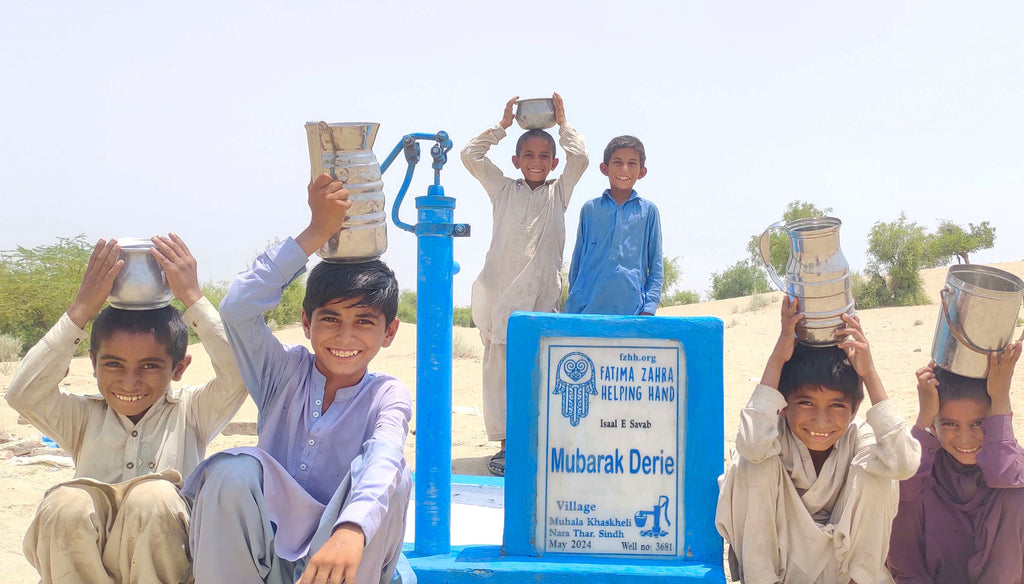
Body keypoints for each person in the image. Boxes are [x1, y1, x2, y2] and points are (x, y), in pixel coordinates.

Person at [183, 173, 412, 584]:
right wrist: (315, 233)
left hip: (347, 557)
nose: (345, 337)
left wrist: (351, 528)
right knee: (231, 470)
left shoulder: (385, 394)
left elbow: (384, 454)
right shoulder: (281, 372)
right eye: (330, 319)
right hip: (267, 558)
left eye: (363, 322)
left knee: (392, 480)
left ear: (389, 332)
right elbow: (237, 308)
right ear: (306, 323)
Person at [6, 234, 248, 584]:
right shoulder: (84, 418)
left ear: (179, 368)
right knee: (67, 504)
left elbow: (241, 375)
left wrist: (192, 299)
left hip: (168, 568)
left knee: (154, 496)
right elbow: (24, 393)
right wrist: (81, 309)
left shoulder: (191, 412)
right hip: (89, 566)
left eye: (149, 366)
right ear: (93, 363)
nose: (129, 382)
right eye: (114, 365)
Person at [715, 297, 920, 584]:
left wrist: (869, 373)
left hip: (841, 570)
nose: (821, 421)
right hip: (784, 568)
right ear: (784, 405)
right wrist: (778, 357)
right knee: (751, 464)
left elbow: (903, 462)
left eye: (836, 406)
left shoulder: (859, 436)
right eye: (807, 403)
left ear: (854, 409)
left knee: (882, 471)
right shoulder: (774, 435)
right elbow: (751, 443)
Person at [461, 92, 588, 476]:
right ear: (516, 161)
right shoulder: (503, 189)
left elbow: (580, 158)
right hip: (500, 300)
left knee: (540, 373)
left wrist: (563, 124)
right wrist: (501, 127)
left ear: (554, 162)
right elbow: (470, 155)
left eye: (543, 157)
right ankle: (504, 447)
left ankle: (536, 445)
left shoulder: (558, 192)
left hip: (542, 300)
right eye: (528, 156)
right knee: (499, 374)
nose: (536, 163)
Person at [887, 345, 1024, 584]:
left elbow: (1005, 474)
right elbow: (900, 488)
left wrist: (1000, 397)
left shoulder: (1010, 462)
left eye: (978, 423)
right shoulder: (925, 466)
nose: (964, 438)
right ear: (934, 423)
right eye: (950, 424)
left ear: (999, 419)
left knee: (1016, 495)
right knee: (901, 495)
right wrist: (923, 420)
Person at [562, 134, 662, 316]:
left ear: (642, 172)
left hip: (632, 311)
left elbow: (655, 264)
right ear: (604, 168)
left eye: (632, 163)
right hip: (586, 310)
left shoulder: (648, 212)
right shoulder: (590, 209)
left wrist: (649, 308)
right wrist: (575, 303)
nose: (624, 169)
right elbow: (577, 261)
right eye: (617, 162)